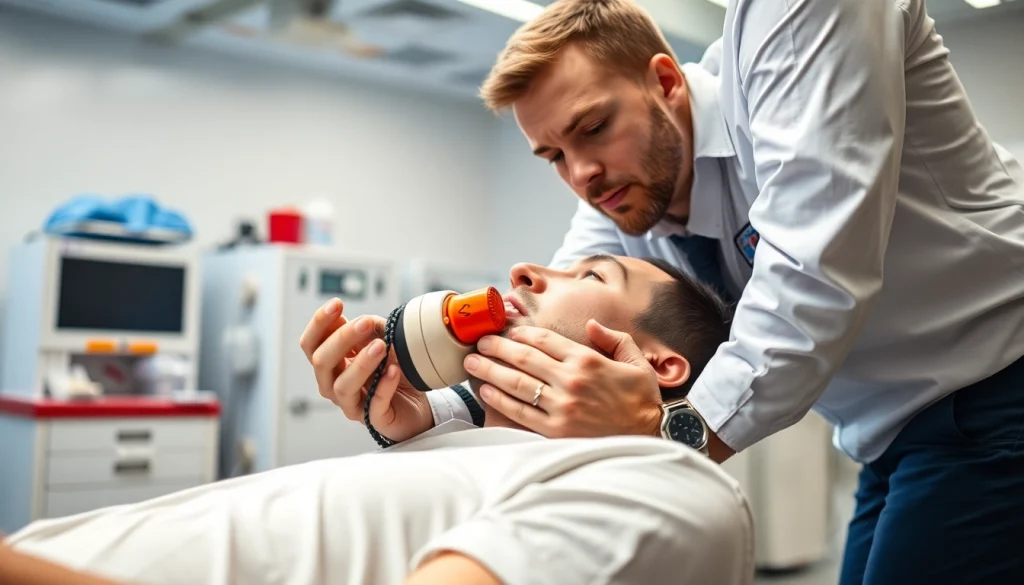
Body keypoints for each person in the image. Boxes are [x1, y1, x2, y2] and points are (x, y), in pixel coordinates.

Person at [317, 1, 1024, 583]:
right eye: (554, 155)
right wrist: (417, 410)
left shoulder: (791, 29)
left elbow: (814, 277)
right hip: (886, 436)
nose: (582, 175)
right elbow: (552, 345)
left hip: (998, 378)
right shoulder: (622, 196)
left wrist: (665, 434)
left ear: (666, 81)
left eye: (594, 128)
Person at [2, 256, 753, 585]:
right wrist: (413, 425)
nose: (526, 270)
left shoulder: (667, 481)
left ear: (655, 366)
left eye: (590, 274)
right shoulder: (466, 448)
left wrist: (658, 434)